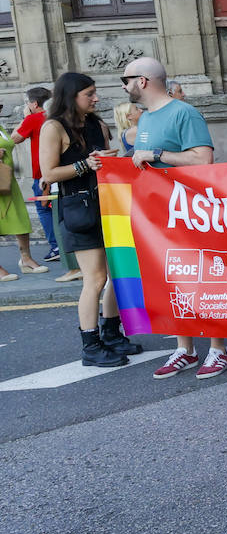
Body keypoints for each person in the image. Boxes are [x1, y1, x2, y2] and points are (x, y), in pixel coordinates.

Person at [124, 57, 227, 377]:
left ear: (143, 81)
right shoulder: (145, 119)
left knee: (201, 279)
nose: (124, 86)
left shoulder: (184, 113)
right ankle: (185, 349)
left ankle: (218, 349)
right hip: (160, 213)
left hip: (190, 211)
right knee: (172, 280)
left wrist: (156, 155)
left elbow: (202, 158)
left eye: (126, 79)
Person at [37, 72, 142, 366]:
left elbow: (105, 159)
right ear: (71, 97)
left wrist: (111, 159)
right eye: (90, 94)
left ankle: (111, 333)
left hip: (107, 205)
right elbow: (49, 174)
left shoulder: (96, 123)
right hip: (78, 208)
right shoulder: (53, 127)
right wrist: (86, 164)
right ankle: (90, 344)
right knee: (95, 279)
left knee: (116, 274)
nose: (96, 98)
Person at [9, 86, 58, 266]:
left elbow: (13, 139)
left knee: (43, 208)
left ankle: (56, 246)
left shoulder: (34, 118)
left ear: (34, 103)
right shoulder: (56, 115)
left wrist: (25, 117)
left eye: (27, 103)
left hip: (43, 173)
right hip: (62, 169)